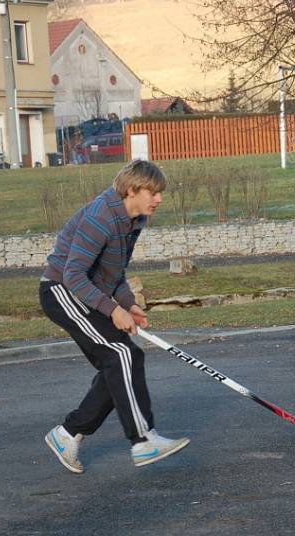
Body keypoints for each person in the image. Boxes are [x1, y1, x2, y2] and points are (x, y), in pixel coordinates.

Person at [41, 159, 189, 473]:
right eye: (153, 192)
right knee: (120, 353)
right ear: (132, 190)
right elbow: (74, 276)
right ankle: (143, 440)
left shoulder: (134, 220)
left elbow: (113, 272)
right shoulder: (101, 218)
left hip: (82, 290)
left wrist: (128, 303)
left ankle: (67, 434)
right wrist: (112, 310)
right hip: (61, 291)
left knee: (124, 361)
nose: (159, 199)